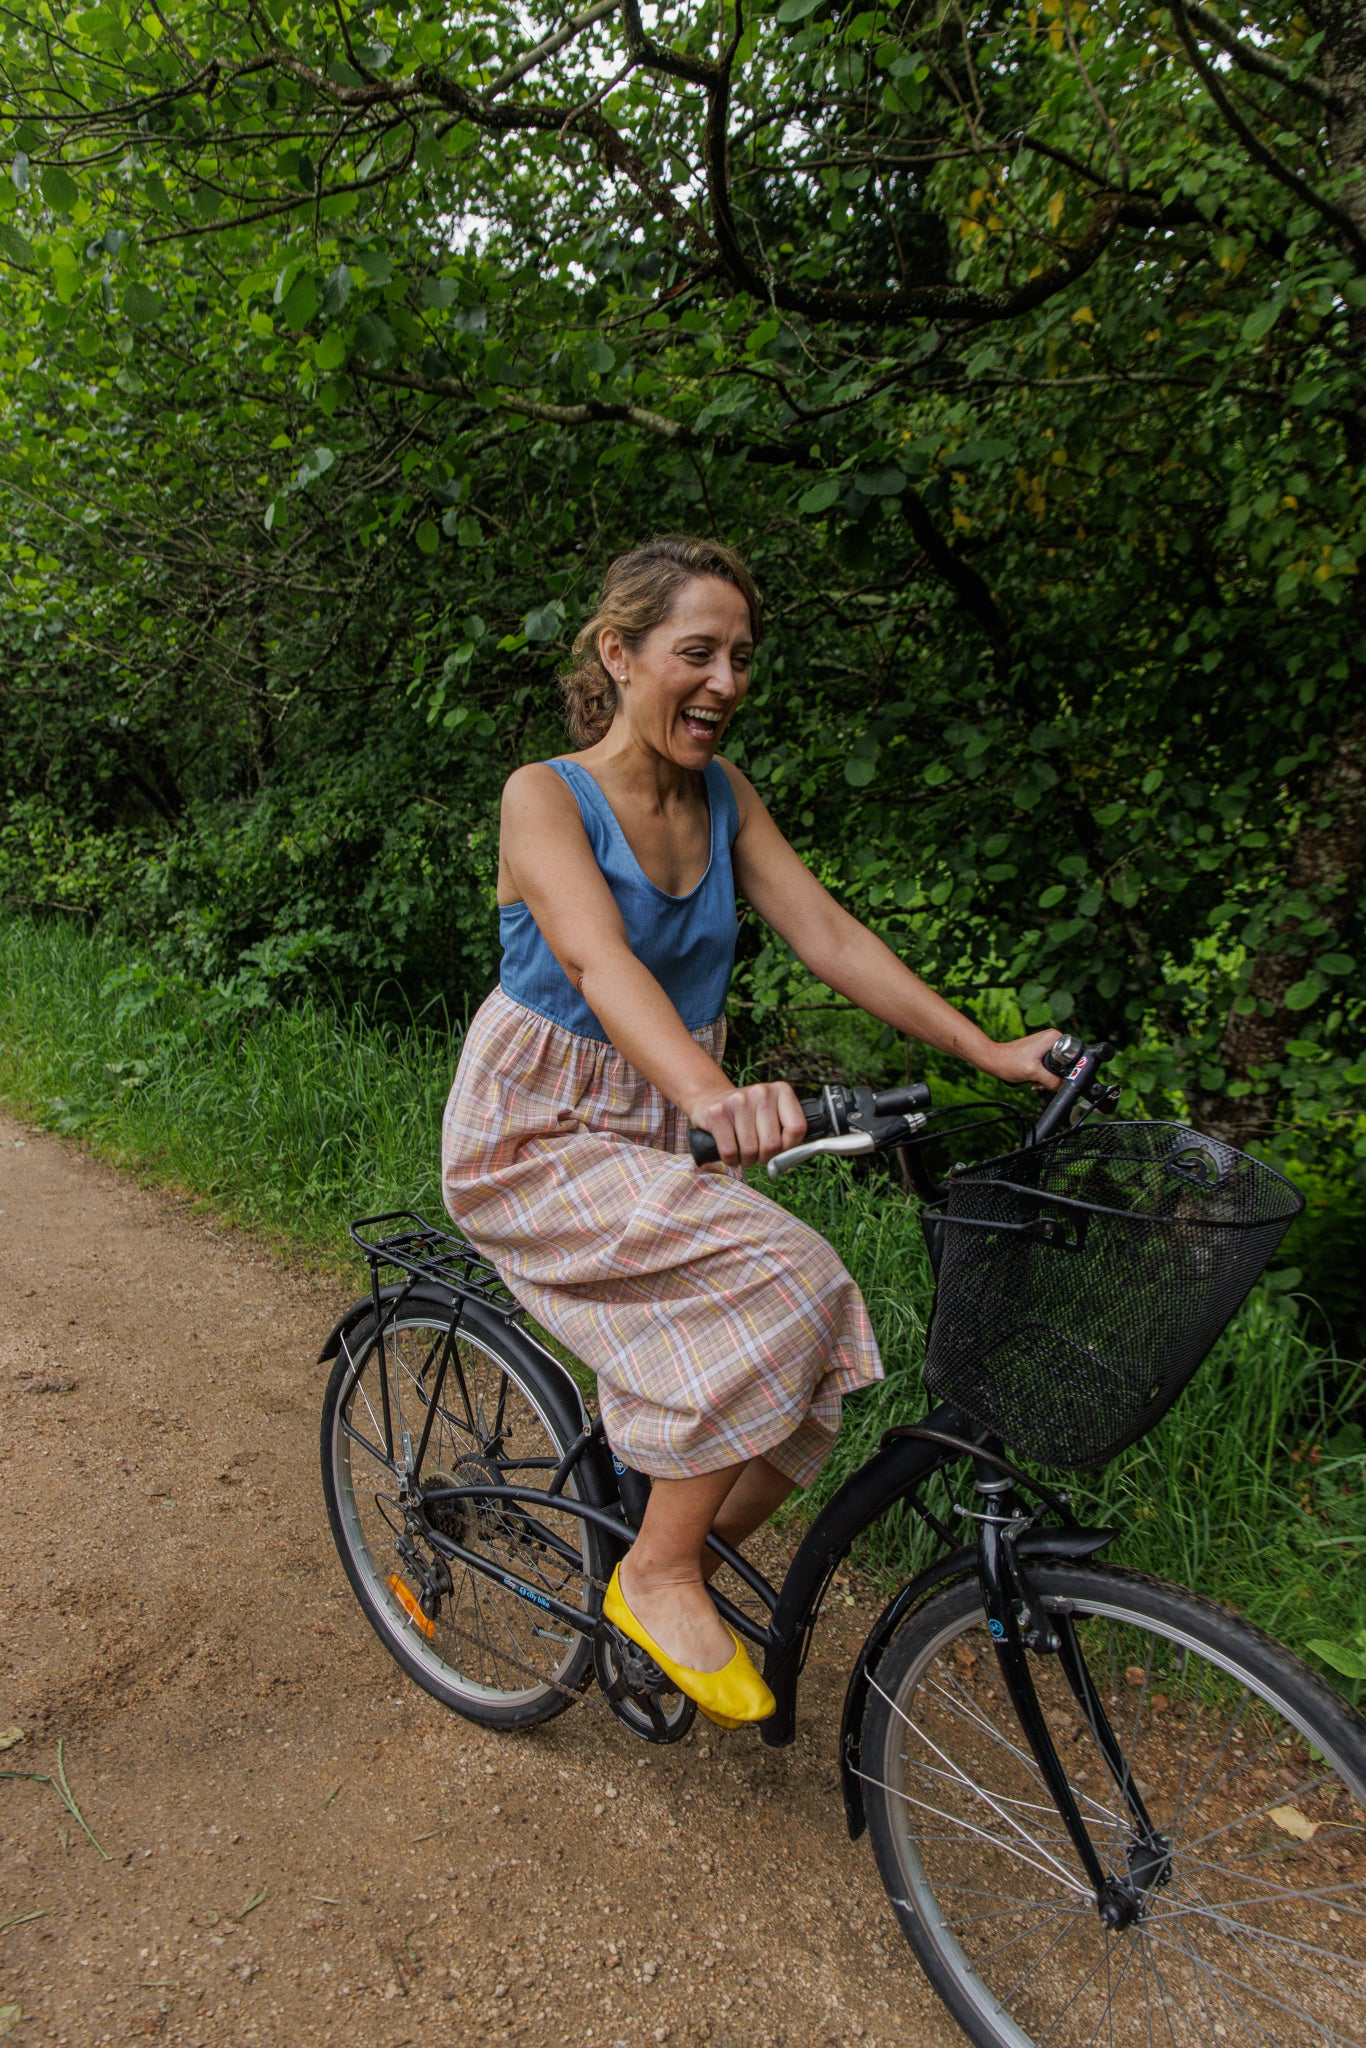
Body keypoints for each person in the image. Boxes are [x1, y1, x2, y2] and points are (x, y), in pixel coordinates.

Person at [442, 533, 1060, 1726]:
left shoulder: (723, 797)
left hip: (660, 1124)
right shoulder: (544, 794)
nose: (726, 680)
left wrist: (985, 1047)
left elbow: (826, 934)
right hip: (539, 1132)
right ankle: (658, 1567)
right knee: (786, 1273)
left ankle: (645, 1543)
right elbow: (595, 957)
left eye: (741, 656)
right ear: (619, 655)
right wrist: (711, 1095)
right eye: (697, 652)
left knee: (814, 1328)